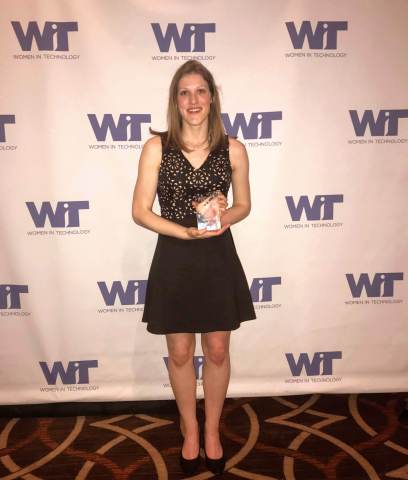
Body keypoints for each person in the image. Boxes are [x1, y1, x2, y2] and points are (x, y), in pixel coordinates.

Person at [132, 60, 256, 475]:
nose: (193, 100)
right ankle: (189, 431)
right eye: (184, 92)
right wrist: (183, 233)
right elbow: (140, 211)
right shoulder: (157, 148)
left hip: (217, 258)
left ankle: (213, 432)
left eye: (200, 91)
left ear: (212, 96)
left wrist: (225, 216)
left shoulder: (233, 148)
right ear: (175, 100)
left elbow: (244, 205)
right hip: (176, 256)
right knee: (180, 352)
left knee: (217, 350)